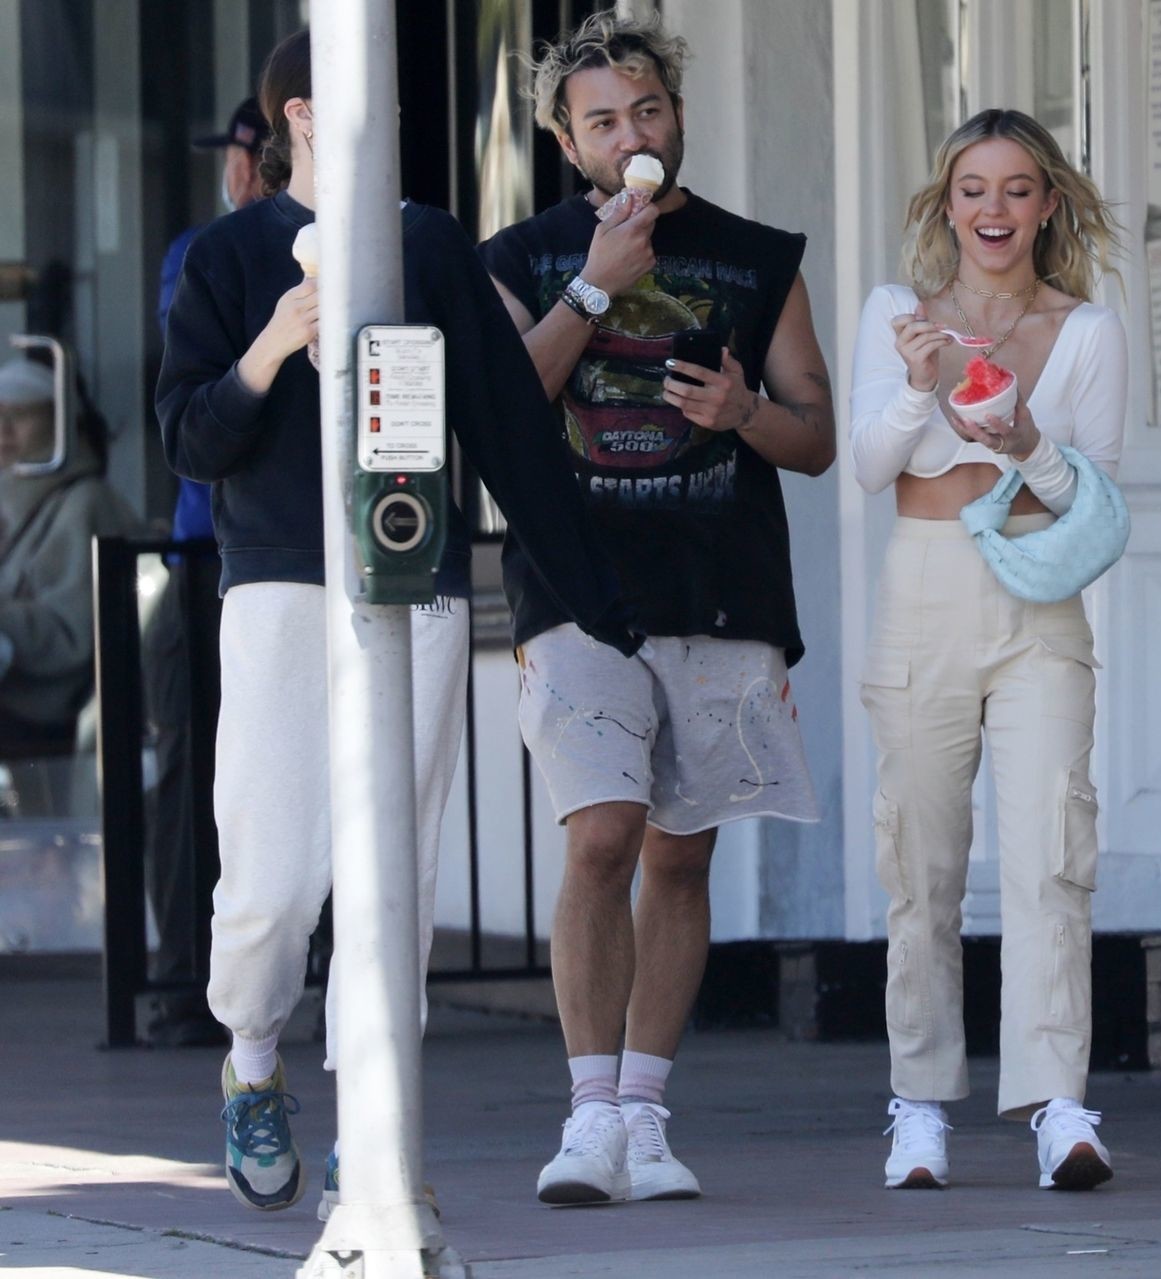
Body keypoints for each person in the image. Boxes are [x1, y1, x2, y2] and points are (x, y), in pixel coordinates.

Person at [155, 29, 636, 1217]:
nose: (394, 119)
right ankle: (252, 1059)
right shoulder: (226, 255)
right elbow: (190, 439)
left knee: (398, 880)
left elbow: (505, 421)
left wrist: (593, 596)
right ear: (303, 113)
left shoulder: (427, 244)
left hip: (412, 582)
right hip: (278, 585)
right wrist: (277, 341)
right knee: (271, 873)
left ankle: (374, 1133)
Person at [481, 10, 834, 1207]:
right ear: (565, 141)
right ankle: (588, 1116)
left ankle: (644, 1115)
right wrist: (594, 285)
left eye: (647, 109)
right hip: (575, 588)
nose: (629, 133)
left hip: (721, 586)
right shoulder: (520, 257)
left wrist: (745, 415)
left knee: (681, 853)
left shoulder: (756, 255)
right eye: (602, 120)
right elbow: (503, 413)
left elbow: (816, 437)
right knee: (602, 836)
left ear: (676, 115)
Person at [848, 107, 1126, 1192]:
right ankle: (919, 1105)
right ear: (947, 203)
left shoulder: (1087, 332)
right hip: (922, 585)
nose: (994, 210)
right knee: (919, 861)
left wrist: (1024, 440)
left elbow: (1093, 498)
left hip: (1037, 597)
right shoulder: (897, 314)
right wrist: (921, 386)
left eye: (1016, 189)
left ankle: (1059, 1104)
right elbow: (871, 465)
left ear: (1048, 203)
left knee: (1054, 846)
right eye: (974, 190)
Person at [144, 95, 268, 1044]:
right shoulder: (208, 254)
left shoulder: (214, 250)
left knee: (217, 765)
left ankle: (208, 979)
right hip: (212, 548)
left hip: (236, 554)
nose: (230, 171)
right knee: (199, 762)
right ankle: (191, 976)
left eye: (236, 152)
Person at [0, 357, 135, 776]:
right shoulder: (12, 500)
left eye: (19, 415)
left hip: (45, 720)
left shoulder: (85, 503)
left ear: (60, 424)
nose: (3, 430)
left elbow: (73, 634)